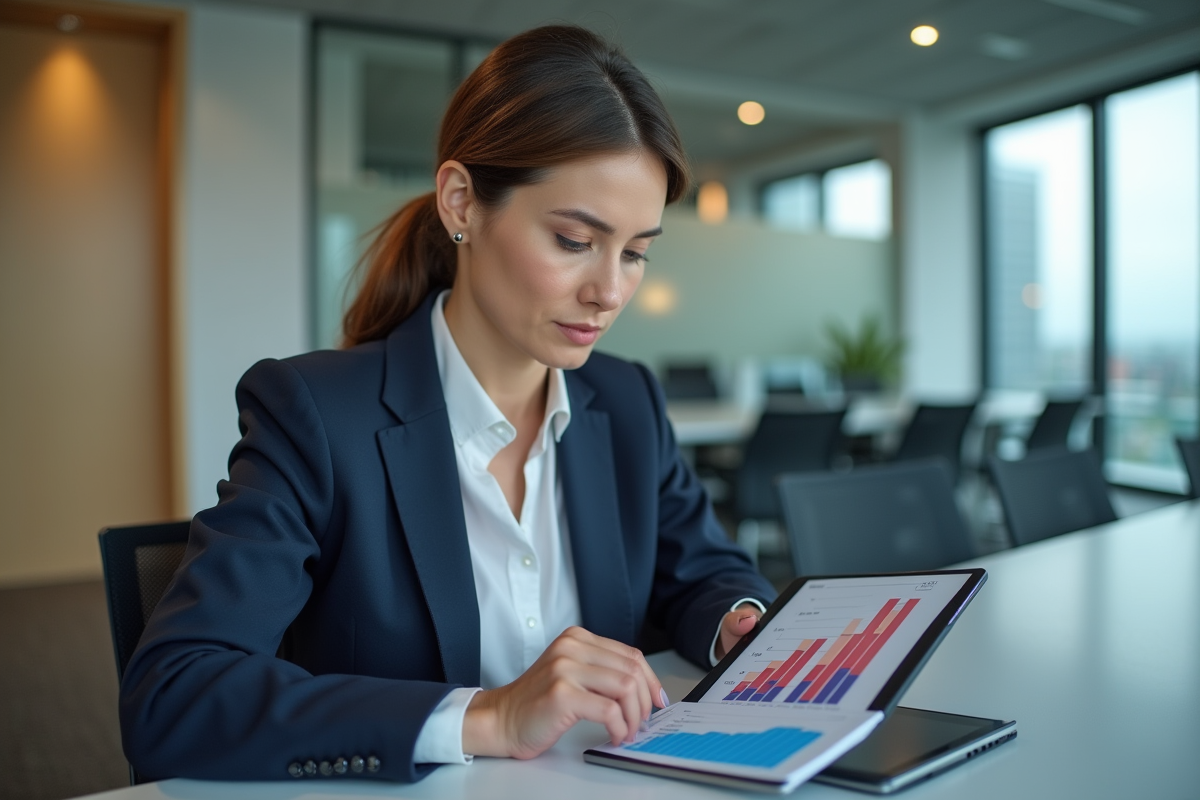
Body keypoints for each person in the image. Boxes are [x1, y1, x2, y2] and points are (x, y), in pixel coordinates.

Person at [120, 24, 775, 784]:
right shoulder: (317, 416)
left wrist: (737, 623)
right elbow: (174, 693)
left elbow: (703, 574)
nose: (610, 291)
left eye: (634, 252)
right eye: (572, 240)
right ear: (461, 202)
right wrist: (489, 716)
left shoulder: (624, 400)